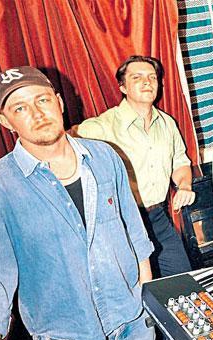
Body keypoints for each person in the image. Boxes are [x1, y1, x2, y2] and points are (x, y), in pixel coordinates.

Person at [0, 66, 161, 340]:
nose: (37, 113)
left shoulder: (105, 157)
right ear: (5, 121)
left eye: (42, 100)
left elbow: (134, 233)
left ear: (59, 102)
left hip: (133, 324)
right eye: (20, 108)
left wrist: (145, 303)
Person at [78, 55, 194, 278]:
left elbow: (180, 162)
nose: (147, 82)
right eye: (137, 77)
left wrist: (185, 186)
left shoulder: (167, 123)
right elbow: (62, 149)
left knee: (183, 280)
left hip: (158, 217)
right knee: (139, 287)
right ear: (122, 87)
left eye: (152, 77)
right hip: (123, 223)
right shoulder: (100, 127)